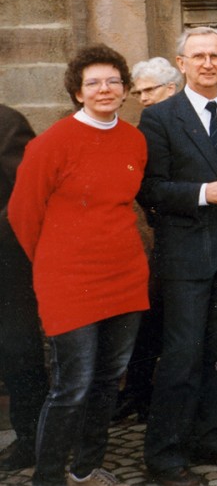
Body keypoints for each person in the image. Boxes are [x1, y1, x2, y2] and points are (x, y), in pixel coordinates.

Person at [8, 44, 149, 486]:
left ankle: (85, 469)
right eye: (93, 83)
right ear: (76, 92)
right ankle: (47, 477)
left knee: (109, 380)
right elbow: (22, 215)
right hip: (69, 281)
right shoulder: (51, 144)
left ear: (125, 89)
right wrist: (56, 263)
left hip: (125, 275)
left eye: (112, 81)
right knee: (73, 385)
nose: (104, 89)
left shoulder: (134, 139)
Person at [139, 27, 217, 486]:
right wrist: (202, 193)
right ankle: (165, 455)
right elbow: (149, 189)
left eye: (216, 55)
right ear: (182, 62)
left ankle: (210, 438)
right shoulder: (160, 118)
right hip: (186, 257)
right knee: (182, 355)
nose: (208, 63)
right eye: (199, 56)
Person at [114, 56, 184, 423]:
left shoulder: (184, 123)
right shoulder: (144, 128)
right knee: (151, 315)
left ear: (171, 89)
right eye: (137, 92)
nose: (141, 98)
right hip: (159, 237)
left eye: (148, 90)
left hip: (192, 232)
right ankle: (139, 391)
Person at [0, 105, 48, 472]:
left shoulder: (6, 122)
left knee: (19, 352)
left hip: (6, 263)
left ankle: (33, 440)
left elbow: (27, 192)